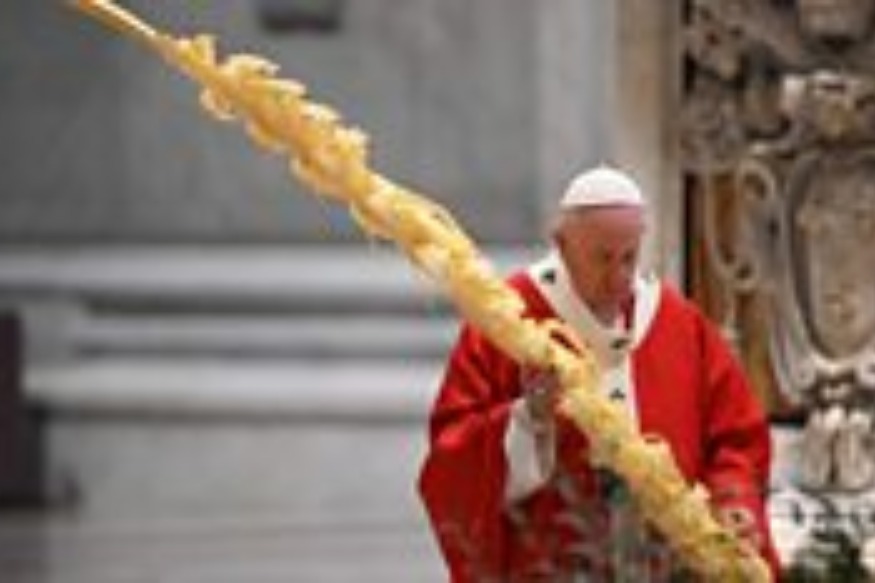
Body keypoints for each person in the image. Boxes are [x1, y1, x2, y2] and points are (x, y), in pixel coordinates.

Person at [418, 166, 780, 582]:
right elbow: (451, 463)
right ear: (562, 245)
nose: (620, 277)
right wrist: (527, 419)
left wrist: (733, 501)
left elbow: (736, 439)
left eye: (630, 257)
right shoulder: (507, 319)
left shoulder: (677, 323)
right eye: (603, 258)